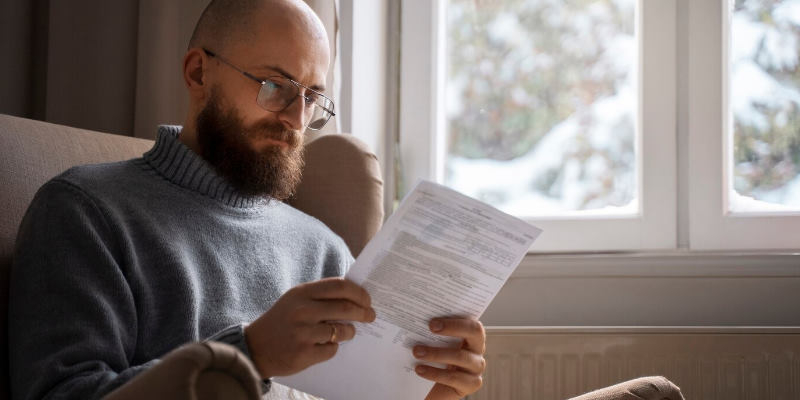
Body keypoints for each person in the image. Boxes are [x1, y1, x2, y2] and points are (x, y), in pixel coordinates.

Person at [8, 0, 486, 399]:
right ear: (198, 73)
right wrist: (249, 354)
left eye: (313, 96)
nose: (297, 119)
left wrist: (429, 392)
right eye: (275, 86)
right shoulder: (86, 211)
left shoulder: (324, 250)